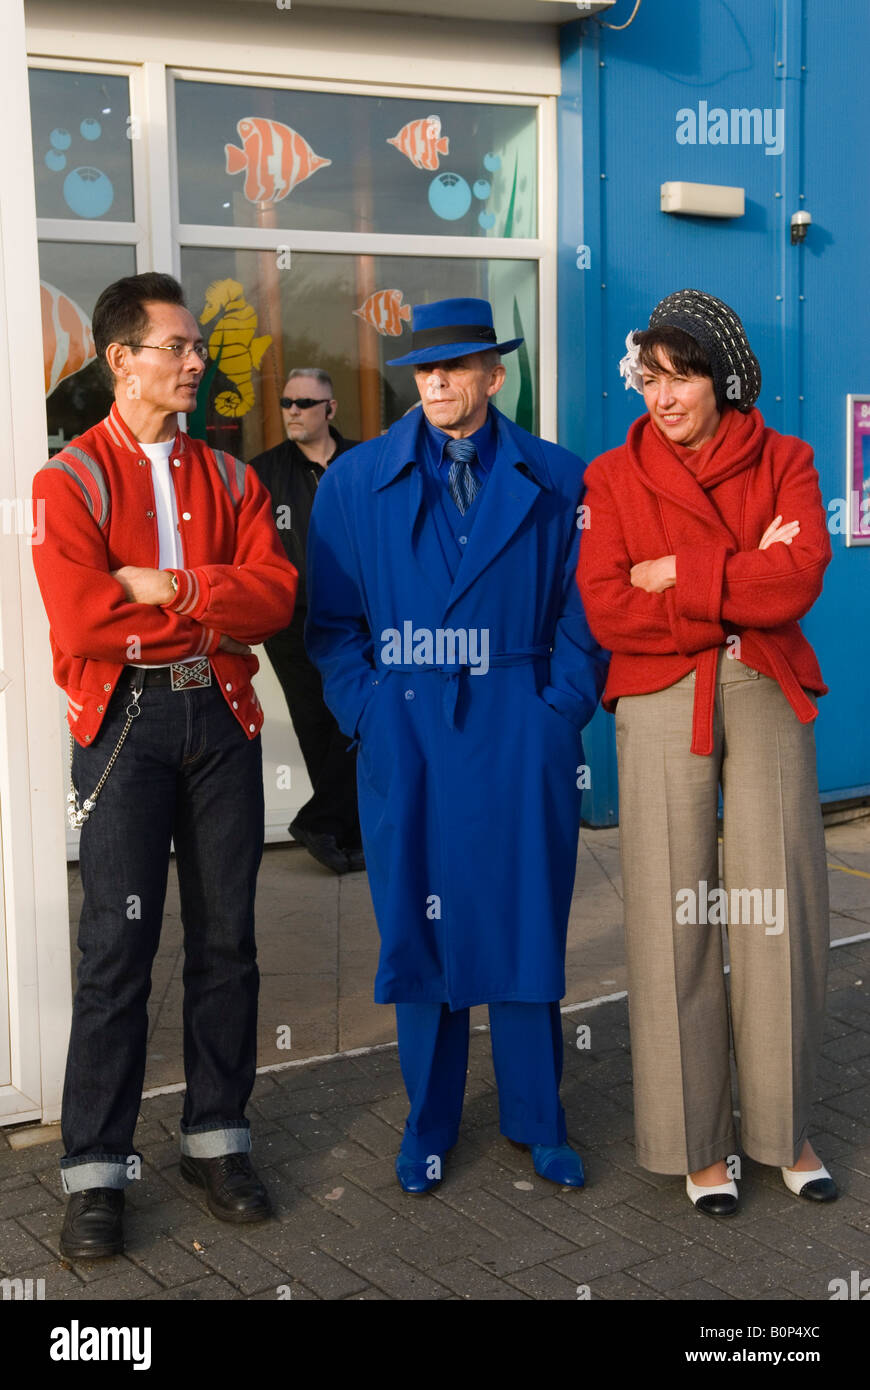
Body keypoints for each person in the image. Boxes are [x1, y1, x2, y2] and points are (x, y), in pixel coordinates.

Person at [305, 297, 609, 1193]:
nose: (435, 381)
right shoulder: (355, 482)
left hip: (520, 725)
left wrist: (559, 710)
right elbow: (330, 625)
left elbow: (585, 615)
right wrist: (369, 712)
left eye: (456, 365)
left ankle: (537, 1119)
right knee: (420, 931)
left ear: (493, 373)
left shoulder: (559, 477)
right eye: (423, 369)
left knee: (523, 922)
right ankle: (428, 1123)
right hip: (410, 727)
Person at [31, 272, 298, 1259]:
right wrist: (203, 610)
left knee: (228, 938)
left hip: (222, 719)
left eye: (195, 347)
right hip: (126, 729)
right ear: (120, 361)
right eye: (177, 348)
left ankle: (215, 1137)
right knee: (117, 950)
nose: (197, 361)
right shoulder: (65, 481)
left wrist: (178, 584)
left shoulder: (230, 478)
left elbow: (276, 597)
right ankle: (96, 1167)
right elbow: (86, 618)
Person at [577, 289, 836, 1217]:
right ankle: (697, 1142)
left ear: (719, 378)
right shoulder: (611, 477)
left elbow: (798, 578)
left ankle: (785, 1128)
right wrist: (736, 572)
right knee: (670, 916)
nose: (664, 395)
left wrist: (676, 571)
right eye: (650, 378)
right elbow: (609, 608)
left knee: (781, 909)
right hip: (657, 699)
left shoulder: (789, 459)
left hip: (763, 686)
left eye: (681, 376)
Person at [250, 369, 362, 873]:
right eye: (287, 402)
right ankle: (334, 827)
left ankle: (330, 824)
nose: (293, 410)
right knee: (315, 724)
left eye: (305, 402)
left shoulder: (364, 462)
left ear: (330, 410)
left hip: (360, 618)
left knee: (358, 721)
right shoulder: (263, 473)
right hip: (291, 621)